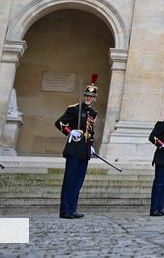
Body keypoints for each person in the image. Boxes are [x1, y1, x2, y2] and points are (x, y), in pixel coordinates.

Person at [55, 74, 99, 219]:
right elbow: (60, 122)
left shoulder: (93, 113)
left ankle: (73, 209)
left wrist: (91, 145)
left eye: (91, 96)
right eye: (86, 95)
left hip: (85, 151)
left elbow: (91, 132)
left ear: (94, 98)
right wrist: (70, 131)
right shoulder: (75, 109)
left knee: (78, 181)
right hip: (74, 149)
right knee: (70, 180)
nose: (88, 98)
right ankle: (65, 210)